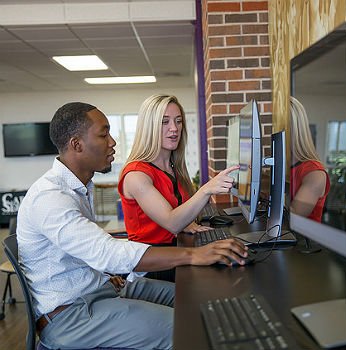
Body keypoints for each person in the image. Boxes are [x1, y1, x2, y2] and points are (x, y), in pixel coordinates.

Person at [16, 102, 248, 350]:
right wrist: (194, 254)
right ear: (76, 144)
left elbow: (81, 250)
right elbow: (106, 252)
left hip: (100, 290)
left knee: (198, 298)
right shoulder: (50, 198)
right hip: (71, 315)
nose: (113, 142)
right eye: (104, 134)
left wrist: (103, 277)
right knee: (188, 328)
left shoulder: (78, 188)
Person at [118, 94, 239, 281]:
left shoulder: (173, 166)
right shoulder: (136, 174)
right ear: (149, 127)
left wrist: (187, 222)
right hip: (152, 266)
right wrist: (206, 189)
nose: (174, 129)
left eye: (178, 121)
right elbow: (171, 222)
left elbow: (174, 217)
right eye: (164, 122)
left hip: (173, 253)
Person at [289, 96, 330, 222]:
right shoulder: (283, 166)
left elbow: (293, 216)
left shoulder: (314, 172)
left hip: (301, 241)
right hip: (279, 238)